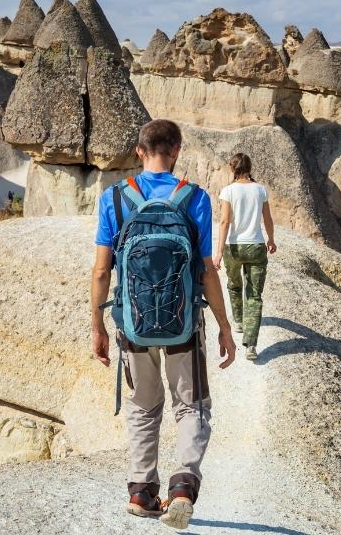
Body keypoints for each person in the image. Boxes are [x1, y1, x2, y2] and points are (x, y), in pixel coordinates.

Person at [90, 119, 236, 529]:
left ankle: (141, 492)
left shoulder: (115, 199)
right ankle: (183, 488)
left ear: (140, 151)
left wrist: (97, 326)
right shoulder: (195, 198)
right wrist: (224, 325)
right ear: (176, 150)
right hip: (184, 325)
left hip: (132, 325)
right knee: (191, 405)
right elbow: (207, 270)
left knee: (142, 406)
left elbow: (101, 271)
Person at [213, 154, 277, 362]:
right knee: (254, 295)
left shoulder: (228, 191)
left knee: (234, 285)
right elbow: (267, 219)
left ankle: (239, 321)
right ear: (249, 168)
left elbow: (224, 222)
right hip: (256, 245)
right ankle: (251, 345)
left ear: (233, 169)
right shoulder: (260, 190)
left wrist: (219, 252)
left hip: (234, 247)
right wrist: (271, 240)